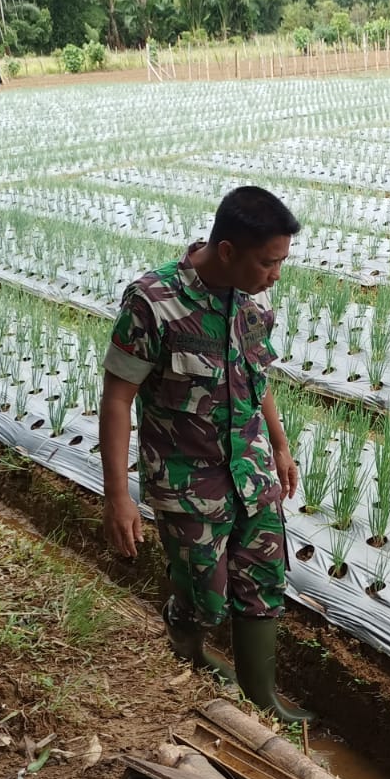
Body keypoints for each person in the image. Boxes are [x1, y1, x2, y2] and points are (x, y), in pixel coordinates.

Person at [99, 185, 311, 722]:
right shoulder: (153, 302)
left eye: (281, 262)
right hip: (186, 483)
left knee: (263, 582)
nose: (275, 275)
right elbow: (118, 399)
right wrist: (118, 496)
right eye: (268, 262)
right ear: (226, 251)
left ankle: (262, 699)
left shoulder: (254, 298)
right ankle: (188, 651)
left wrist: (281, 446)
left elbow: (258, 374)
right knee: (205, 598)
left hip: (251, 472)